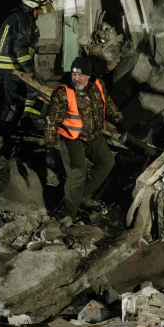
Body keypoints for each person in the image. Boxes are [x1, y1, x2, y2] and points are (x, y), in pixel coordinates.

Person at [43, 56, 122, 223]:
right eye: (73, 74)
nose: (76, 78)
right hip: (72, 138)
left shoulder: (97, 85)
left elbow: (108, 104)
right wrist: (49, 147)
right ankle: (67, 215)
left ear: (89, 75)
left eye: (80, 75)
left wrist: (119, 120)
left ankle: (83, 194)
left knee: (107, 162)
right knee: (77, 174)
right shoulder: (63, 92)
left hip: (93, 136)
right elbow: (51, 120)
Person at [0, 0, 51, 138]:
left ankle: (27, 122)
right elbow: (20, 48)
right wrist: (29, 71)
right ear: (30, 6)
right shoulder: (21, 19)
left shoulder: (20, 18)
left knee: (34, 91)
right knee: (16, 101)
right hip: (11, 67)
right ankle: (4, 130)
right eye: (38, 10)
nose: (40, 14)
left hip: (13, 66)